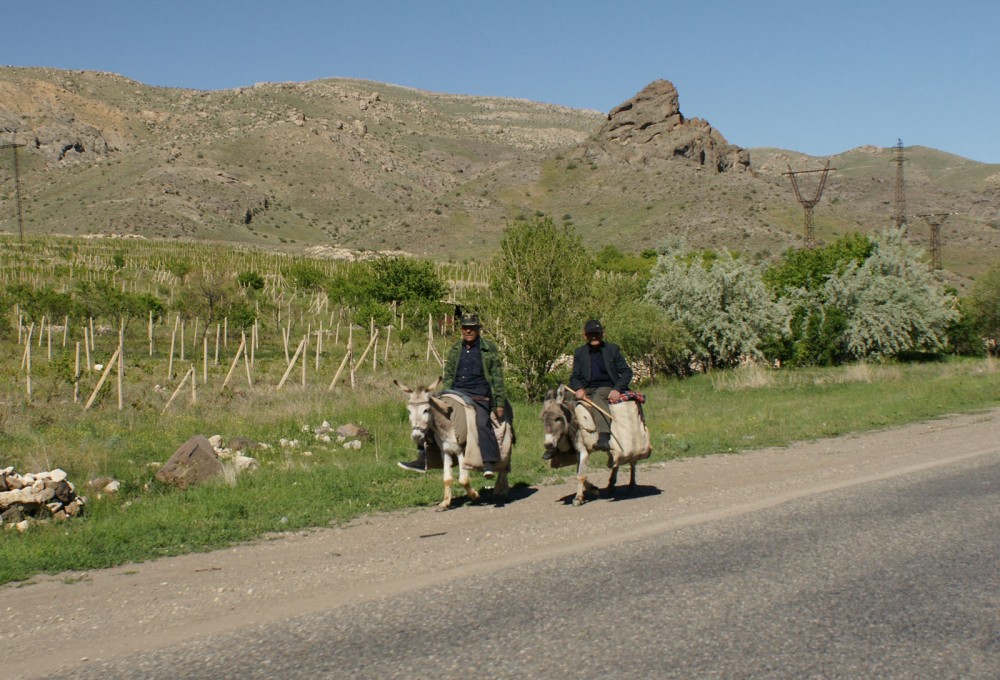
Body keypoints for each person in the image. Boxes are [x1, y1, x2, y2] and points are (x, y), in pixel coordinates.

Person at [398, 313, 508, 477]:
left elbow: (497, 376)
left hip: (479, 394)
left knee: (482, 421)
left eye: (471, 328)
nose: (468, 331)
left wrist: (498, 402)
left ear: (478, 329)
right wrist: (446, 394)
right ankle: (423, 457)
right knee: (429, 413)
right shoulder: (456, 348)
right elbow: (449, 374)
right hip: (456, 391)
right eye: (465, 328)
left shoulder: (488, 348)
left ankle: (488, 462)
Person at [545, 318, 632, 459]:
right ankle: (555, 444)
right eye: (591, 334)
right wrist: (578, 388)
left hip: (607, 386)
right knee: (560, 403)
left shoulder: (612, 350)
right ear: (584, 336)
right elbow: (575, 376)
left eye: (596, 334)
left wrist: (617, 389)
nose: (594, 337)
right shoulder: (580, 352)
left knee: (598, 398)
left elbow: (627, 372)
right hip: (586, 388)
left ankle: (604, 437)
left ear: (603, 333)